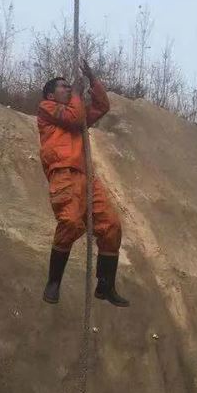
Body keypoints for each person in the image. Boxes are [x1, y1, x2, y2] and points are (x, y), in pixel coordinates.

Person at [37, 65, 127, 307]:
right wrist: (77, 92)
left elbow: (102, 106)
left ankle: (105, 285)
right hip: (64, 173)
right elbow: (74, 118)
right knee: (70, 222)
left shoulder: (75, 112)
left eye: (70, 86)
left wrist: (93, 80)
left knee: (111, 225)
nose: (68, 89)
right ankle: (53, 281)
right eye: (63, 87)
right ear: (50, 95)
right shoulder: (47, 108)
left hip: (86, 177)